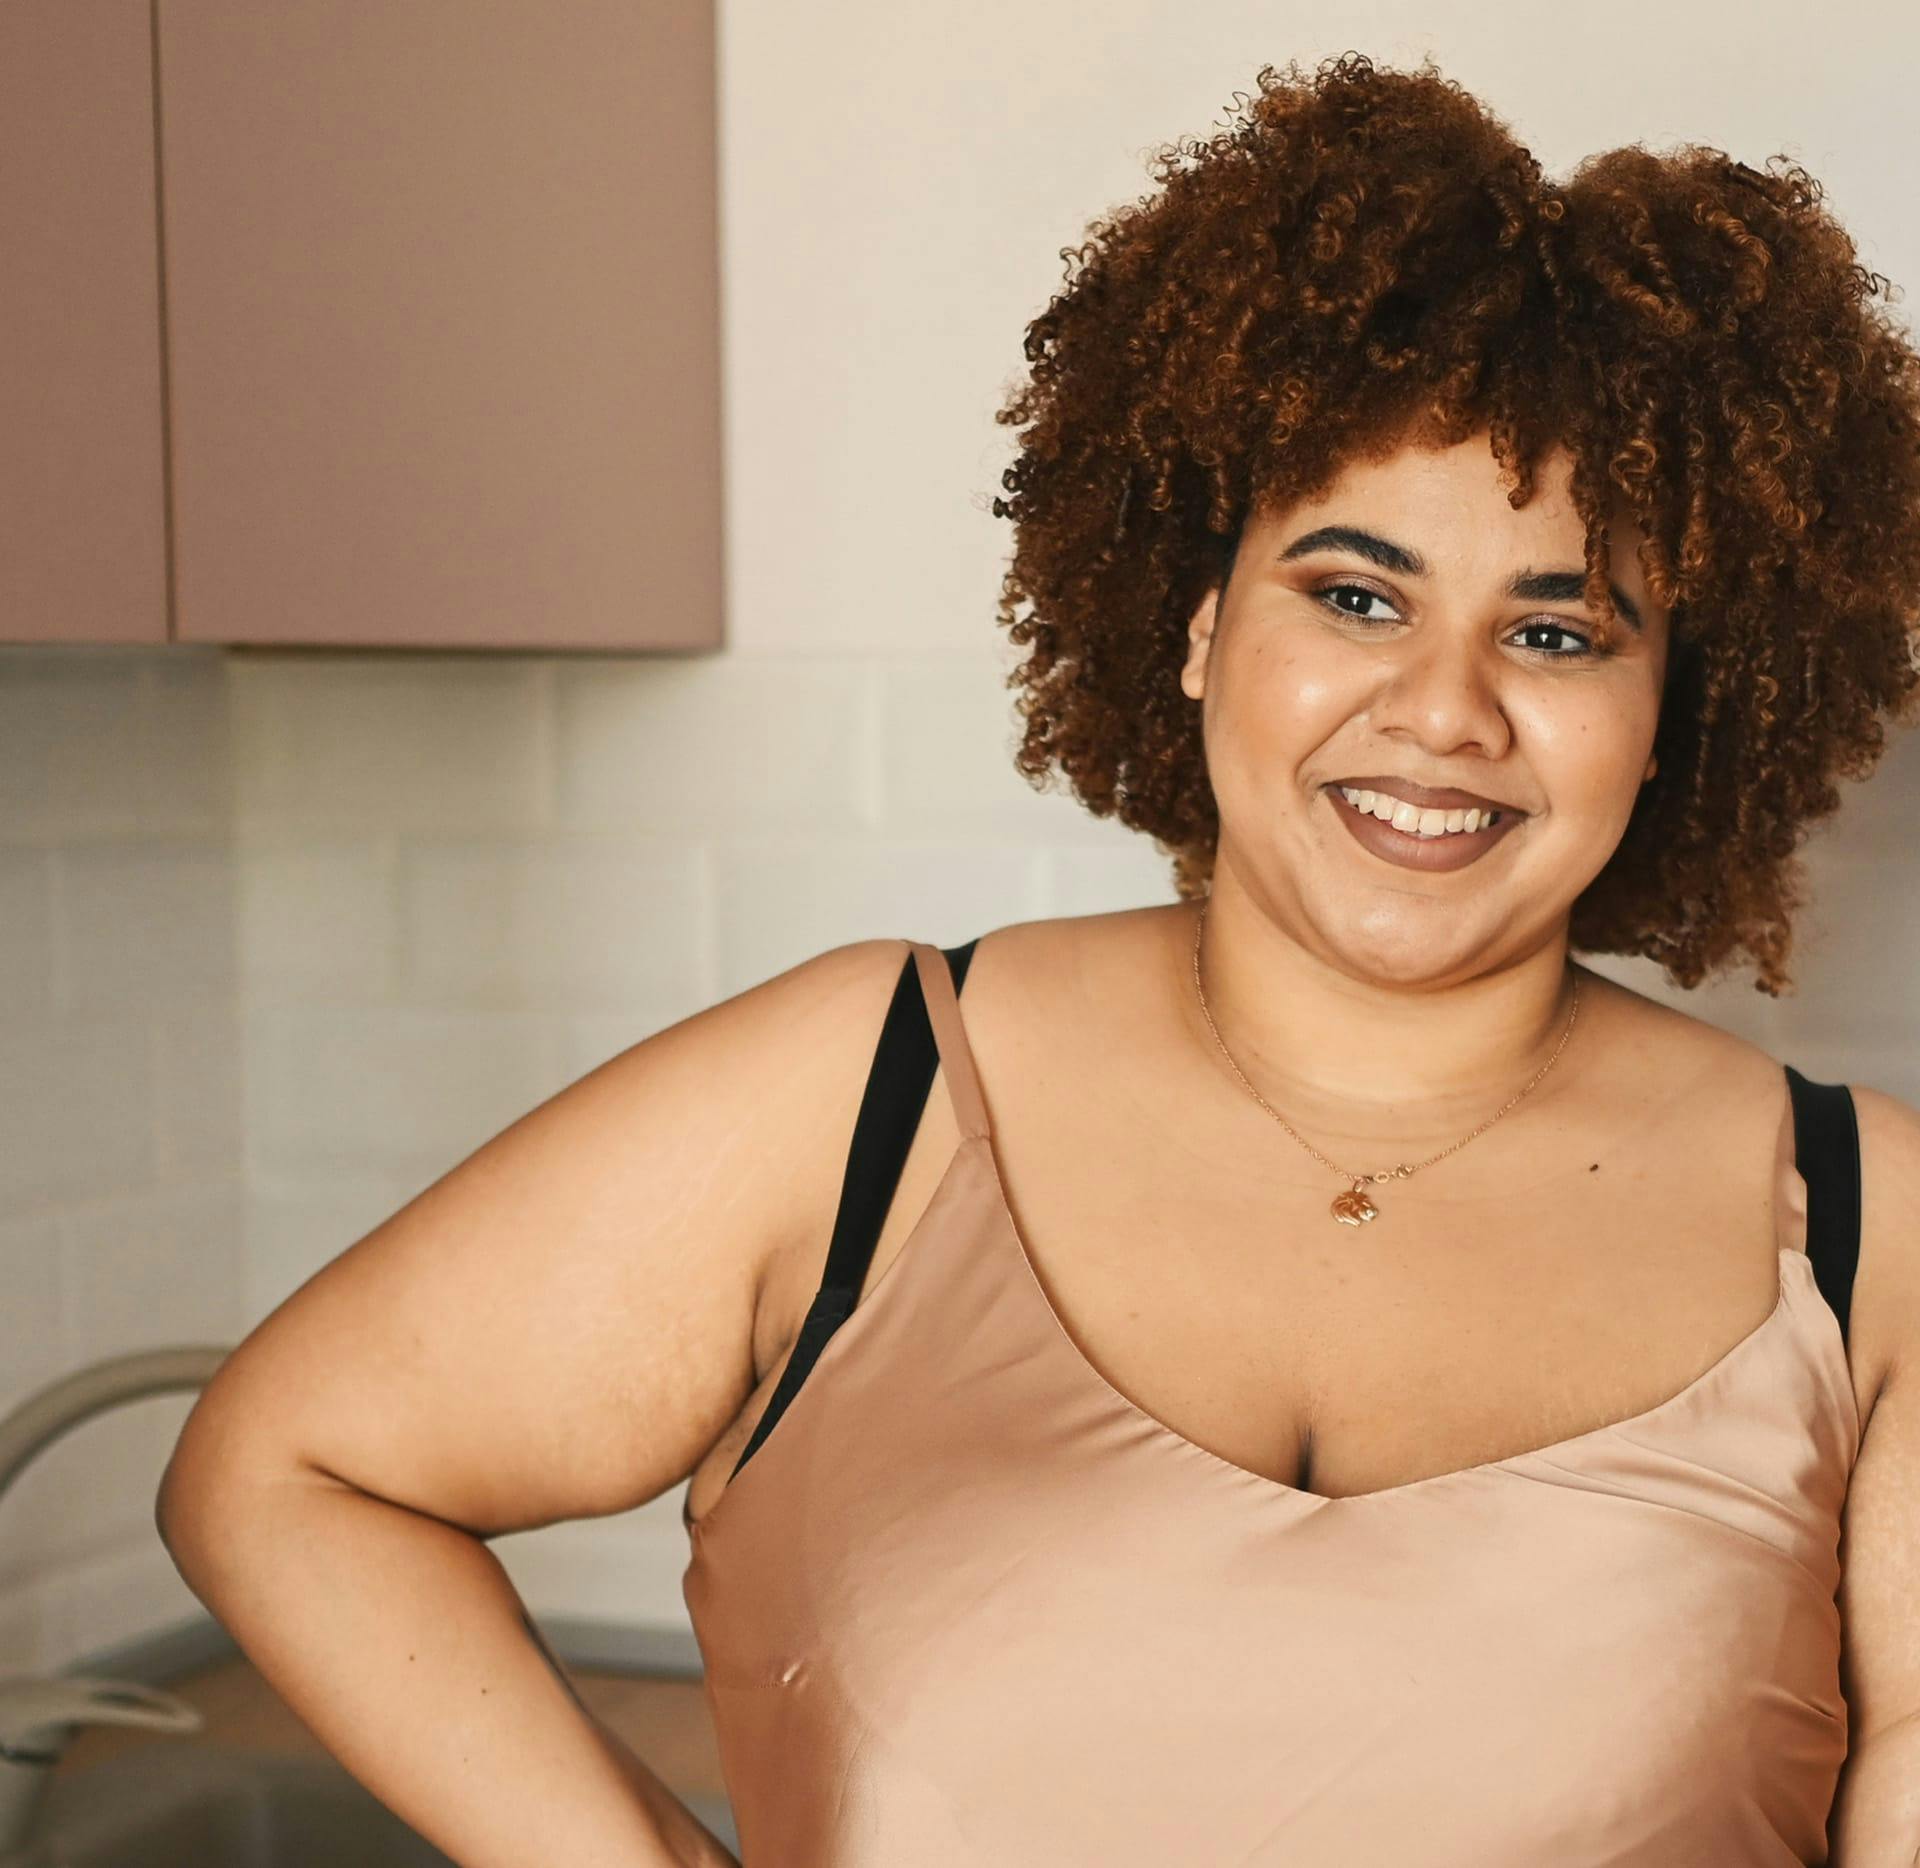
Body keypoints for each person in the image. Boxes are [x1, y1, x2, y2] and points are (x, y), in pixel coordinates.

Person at [155, 50, 1920, 1868]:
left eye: (1556, 630)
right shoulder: (863, 1099)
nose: (1443, 711)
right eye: (1356, 593)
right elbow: (287, 1472)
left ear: (1670, 718)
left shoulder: (1878, 1234)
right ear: (1201, 625)